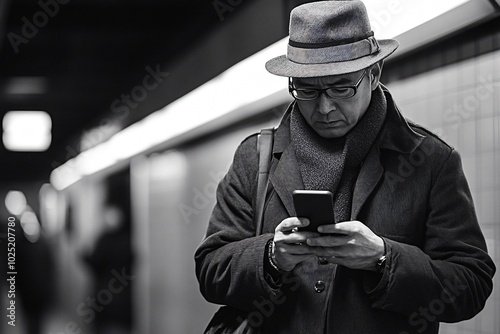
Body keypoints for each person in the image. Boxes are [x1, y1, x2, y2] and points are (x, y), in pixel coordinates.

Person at [194, 1, 496, 333]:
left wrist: (383, 258)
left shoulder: (430, 161)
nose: (324, 108)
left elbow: (471, 285)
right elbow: (211, 269)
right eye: (307, 90)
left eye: (341, 88)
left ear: (373, 74)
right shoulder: (255, 156)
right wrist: (269, 257)